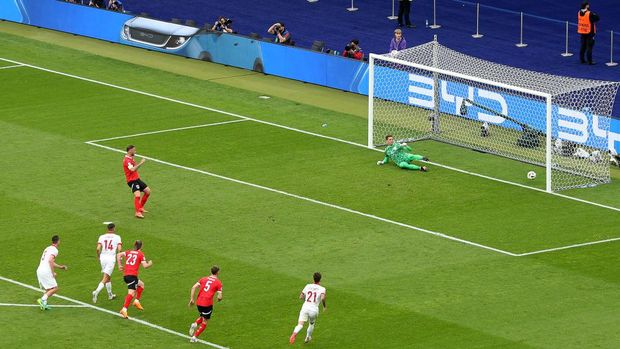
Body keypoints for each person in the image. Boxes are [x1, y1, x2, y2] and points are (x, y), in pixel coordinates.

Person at [117, 240, 153, 319]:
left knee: (141, 284)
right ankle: (124, 309)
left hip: (127, 276)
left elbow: (119, 254)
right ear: (141, 246)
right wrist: (150, 263)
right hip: (131, 276)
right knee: (131, 293)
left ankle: (137, 301)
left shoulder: (129, 252)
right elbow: (145, 266)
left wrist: (119, 265)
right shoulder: (140, 254)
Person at [188, 266, 223, 343]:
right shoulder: (218, 282)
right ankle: (194, 337)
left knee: (202, 315)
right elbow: (220, 296)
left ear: (211, 271)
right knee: (205, 321)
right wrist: (219, 299)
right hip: (207, 304)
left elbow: (193, 287)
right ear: (218, 272)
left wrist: (192, 299)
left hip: (199, 302)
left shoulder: (203, 279)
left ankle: (194, 324)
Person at [289, 272, 327, 344]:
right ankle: (308, 337)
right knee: (311, 323)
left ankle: (294, 333)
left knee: (300, 324)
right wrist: (324, 306)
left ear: (313, 278)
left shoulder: (307, 286)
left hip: (305, 307)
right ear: (320, 280)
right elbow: (322, 298)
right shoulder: (322, 289)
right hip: (314, 309)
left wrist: (306, 301)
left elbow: (301, 297)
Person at [92, 223, 122, 303]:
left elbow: (98, 249)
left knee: (108, 276)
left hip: (103, 257)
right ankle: (96, 292)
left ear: (107, 228)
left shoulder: (102, 236)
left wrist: (98, 256)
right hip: (111, 258)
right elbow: (119, 249)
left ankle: (110, 295)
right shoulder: (117, 237)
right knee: (105, 277)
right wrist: (120, 257)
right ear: (114, 228)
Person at [36, 235, 68, 310]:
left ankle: (44, 304)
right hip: (45, 271)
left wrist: (60, 267)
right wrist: (53, 273)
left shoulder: (47, 248)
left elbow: (49, 261)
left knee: (49, 289)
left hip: (40, 270)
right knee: (55, 288)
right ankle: (42, 300)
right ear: (58, 241)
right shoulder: (55, 250)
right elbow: (50, 260)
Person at [123, 145, 151, 219]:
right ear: (130, 150)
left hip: (136, 179)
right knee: (137, 195)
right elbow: (132, 169)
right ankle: (137, 212)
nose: (135, 151)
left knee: (148, 191)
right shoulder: (127, 160)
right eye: (134, 150)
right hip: (131, 181)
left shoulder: (131, 158)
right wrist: (141, 163)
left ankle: (140, 207)